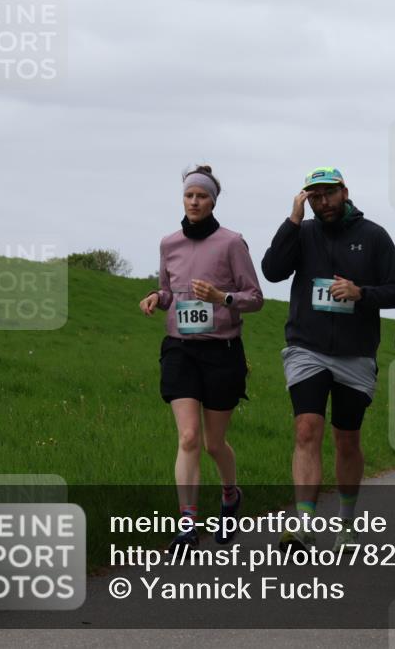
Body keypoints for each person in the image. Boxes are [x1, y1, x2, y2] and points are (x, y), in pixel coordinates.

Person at [261, 167, 395, 552]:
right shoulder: (303, 232)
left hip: (355, 354)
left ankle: (346, 524)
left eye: (329, 194)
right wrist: (293, 220)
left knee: (347, 439)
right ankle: (303, 524)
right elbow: (272, 271)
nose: (322, 202)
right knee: (307, 429)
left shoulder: (373, 236)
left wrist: (361, 293)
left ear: (344, 192)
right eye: (315, 196)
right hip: (306, 348)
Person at [140, 165, 264, 551]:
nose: (194, 202)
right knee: (189, 437)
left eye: (201, 196)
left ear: (213, 202)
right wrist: (156, 298)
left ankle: (230, 496)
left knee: (213, 443)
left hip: (221, 350)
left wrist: (221, 298)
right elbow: (169, 291)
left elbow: (255, 298)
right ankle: (188, 525)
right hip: (179, 348)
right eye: (189, 195)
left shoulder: (232, 243)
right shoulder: (169, 243)